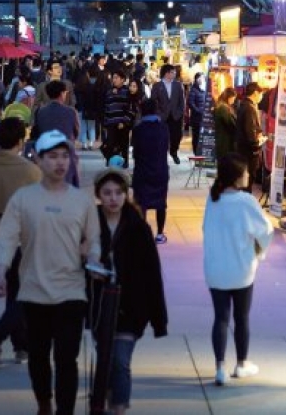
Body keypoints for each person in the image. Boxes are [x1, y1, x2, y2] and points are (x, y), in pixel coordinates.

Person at [0, 129, 101, 415]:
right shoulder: (23, 199)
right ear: (38, 160)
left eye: (65, 156)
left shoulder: (82, 201)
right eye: (52, 157)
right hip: (34, 291)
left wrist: (93, 258)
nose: (60, 163)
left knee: (67, 359)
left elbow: (95, 239)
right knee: (38, 357)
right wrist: (1, 269)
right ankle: (44, 402)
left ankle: (65, 410)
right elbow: (6, 236)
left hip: (71, 292)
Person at [91, 168, 168, 414]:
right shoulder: (90, 224)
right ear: (99, 195)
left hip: (131, 308)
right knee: (106, 358)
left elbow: (152, 275)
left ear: (126, 195)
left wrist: (158, 319)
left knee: (120, 361)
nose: (113, 198)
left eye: (118, 193)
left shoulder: (138, 228)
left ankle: (118, 408)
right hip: (100, 307)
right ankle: (109, 396)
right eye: (107, 193)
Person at [203, 153, 273, 386]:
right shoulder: (246, 201)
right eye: (244, 172)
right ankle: (241, 363)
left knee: (220, 318)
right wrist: (259, 251)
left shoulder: (213, 199)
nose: (248, 175)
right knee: (241, 317)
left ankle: (219, 367)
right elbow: (266, 231)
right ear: (236, 177)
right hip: (241, 268)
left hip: (215, 268)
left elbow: (206, 229)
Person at [0, 118, 43, 367]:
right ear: (20, 140)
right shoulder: (30, 170)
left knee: (15, 290)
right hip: (23, 234)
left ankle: (21, 346)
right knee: (27, 294)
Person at [131, 99, 170, 244]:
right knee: (161, 202)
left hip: (142, 170)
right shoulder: (163, 128)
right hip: (160, 170)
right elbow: (166, 147)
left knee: (142, 203)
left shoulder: (138, 129)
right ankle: (160, 234)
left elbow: (136, 152)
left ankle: (142, 234)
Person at [31, 80, 80, 186]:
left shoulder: (40, 112)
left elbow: (36, 132)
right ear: (62, 94)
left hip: (46, 155)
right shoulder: (71, 112)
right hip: (66, 154)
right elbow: (75, 132)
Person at [235, 82, 267, 192]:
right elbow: (250, 131)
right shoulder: (249, 108)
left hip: (243, 149)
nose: (261, 97)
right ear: (255, 93)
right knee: (248, 179)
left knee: (245, 179)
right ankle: (246, 202)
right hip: (249, 152)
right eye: (261, 94)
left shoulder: (243, 105)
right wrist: (257, 142)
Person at [152, 64, 186, 165]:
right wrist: (158, 113)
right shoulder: (157, 86)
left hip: (176, 115)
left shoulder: (178, 85)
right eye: (173, 72)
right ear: (167, 73)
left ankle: (174, 151)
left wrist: (180, 112)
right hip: (162, 116)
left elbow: (182, 101)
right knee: (162, 137)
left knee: (177, 136)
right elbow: (154, 101)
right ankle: (162, 155)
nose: (175, 74)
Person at [102, 69, 135, 168]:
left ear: (123, 79)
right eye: (113, 78)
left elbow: (131, 108)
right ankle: (110, 163)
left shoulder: (127, 92)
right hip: (111, 123)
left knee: (123, 145)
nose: (114, 80)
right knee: (110, 145)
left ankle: (124, 164)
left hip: (123, 124)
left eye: (116, 78)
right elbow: (106, 107)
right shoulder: (109, 92)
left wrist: (124, 121)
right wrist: (105, 122)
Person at [214, 88, 238, 160]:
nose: (234, 101)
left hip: (223, 139)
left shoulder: (221, 105)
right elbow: (231, 124)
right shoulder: (223, 108)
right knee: (225, 161)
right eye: (233, 98)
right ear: (229, 97)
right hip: (225, 141)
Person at [187, 72, 207, 155]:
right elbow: (190, 103)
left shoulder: (204, 89)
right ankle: (196, 153)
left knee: (202, 136)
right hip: (196, 118)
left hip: (204, 117)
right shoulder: (193, 90)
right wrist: (198, 111)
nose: (202, 80)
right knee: (196, 136)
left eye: (203, 78)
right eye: (201, 78)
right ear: (196, 79)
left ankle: (201, 153)